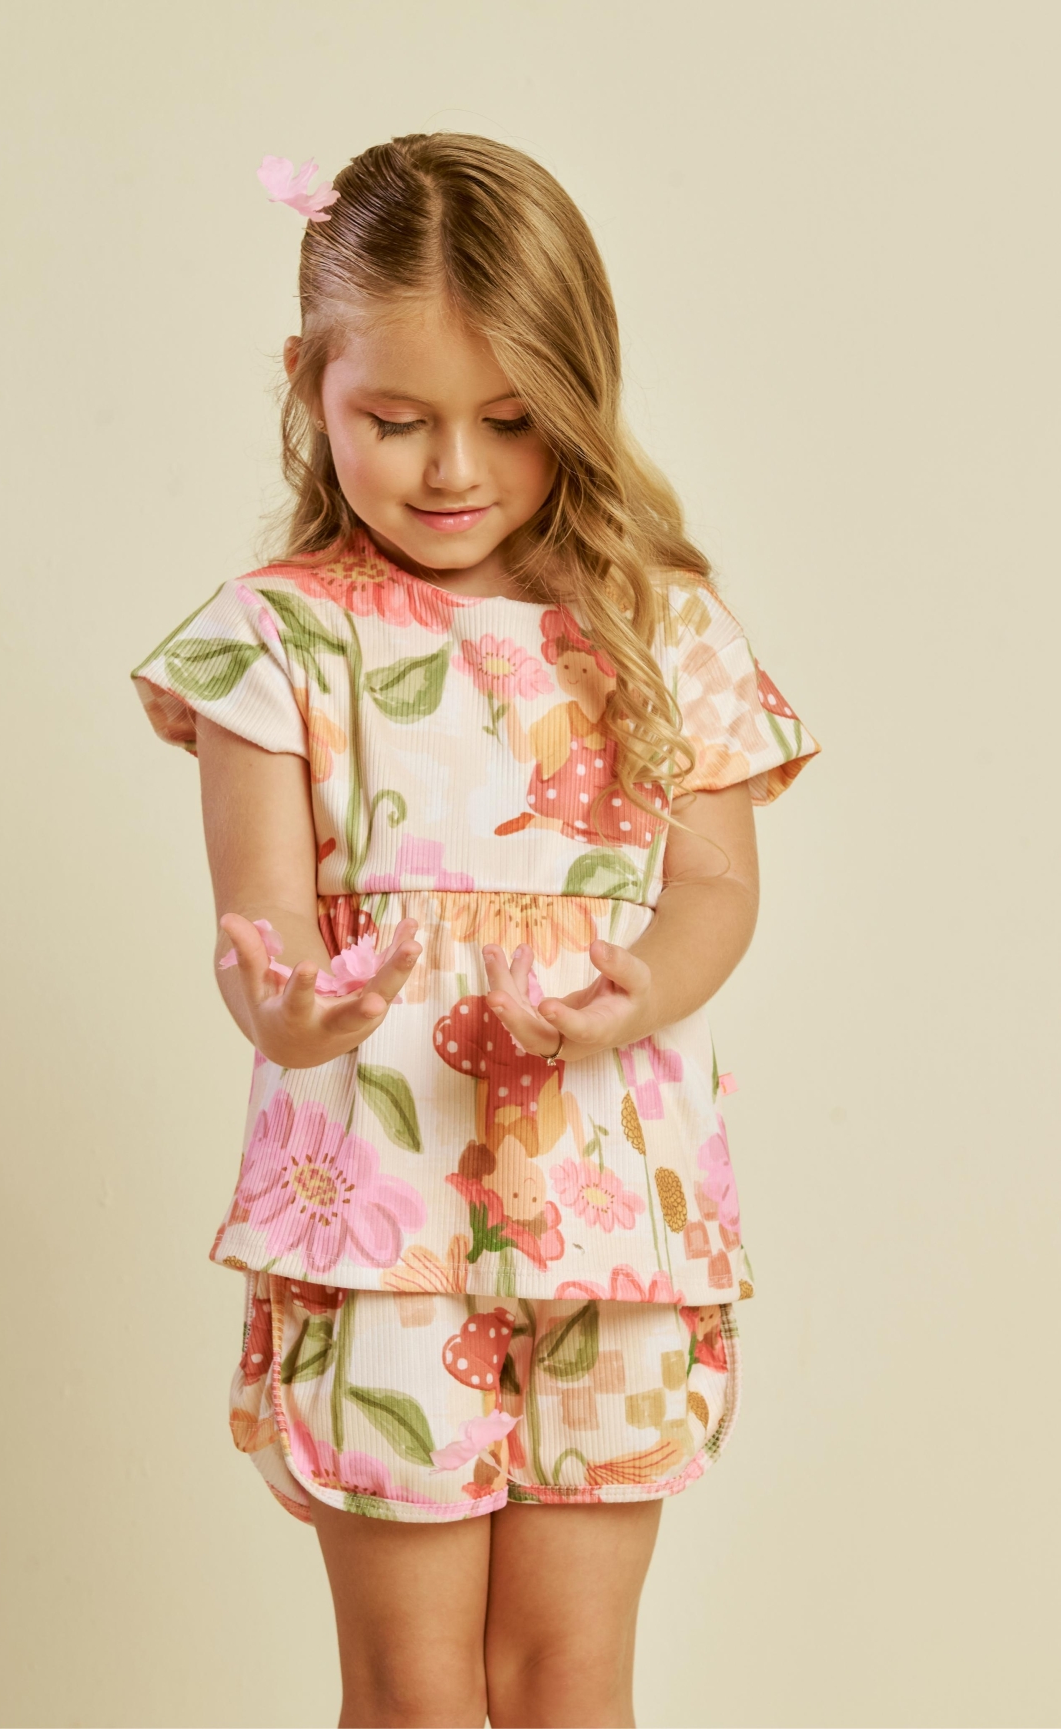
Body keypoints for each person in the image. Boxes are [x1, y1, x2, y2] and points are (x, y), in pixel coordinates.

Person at [131, 133, 819, 1729]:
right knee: (415, 1686)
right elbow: (262, 927)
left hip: (611, 1201)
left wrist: (644, 985)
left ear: (578, 395)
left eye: (510, 421)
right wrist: (291, 1009)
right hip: (379, 1205)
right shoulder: (277, 638)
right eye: (398, 419)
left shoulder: (659, 624)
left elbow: (715, 888)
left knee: (567, 1678)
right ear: (310, 383)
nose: (454, 469)